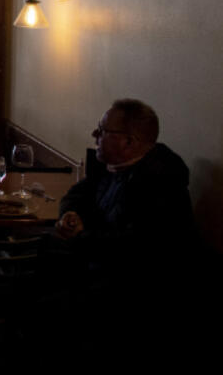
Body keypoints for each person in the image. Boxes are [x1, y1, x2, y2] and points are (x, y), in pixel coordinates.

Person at [53, 100, 200, 366]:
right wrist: (70, 214)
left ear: (129, 142)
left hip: (137, 297)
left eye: (102, 130)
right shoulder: (114, 166)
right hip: (100, 271)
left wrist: (80, 239)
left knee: (47, 311)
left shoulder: (160, 183)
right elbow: (76, 194)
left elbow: (137, 247)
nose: (94, 136)